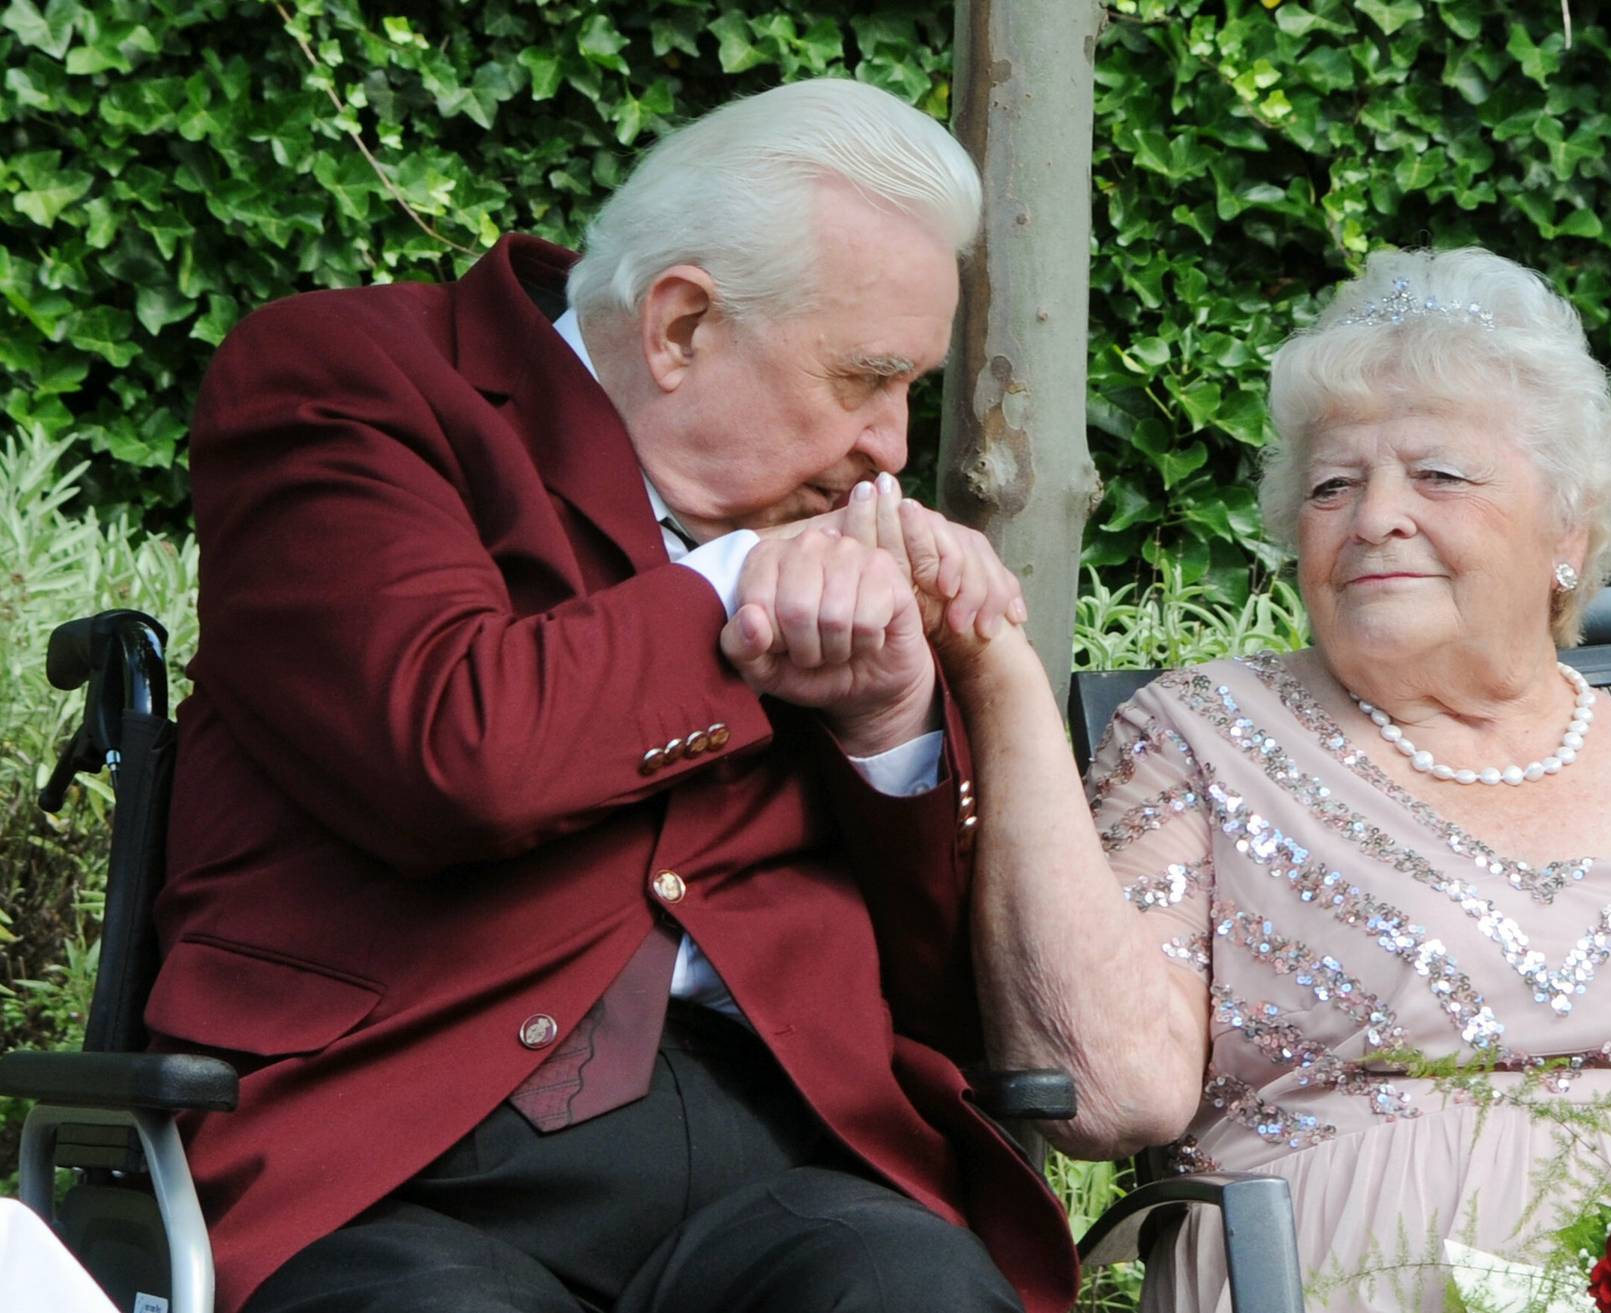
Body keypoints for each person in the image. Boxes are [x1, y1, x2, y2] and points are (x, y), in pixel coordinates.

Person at [942, 248, 1611, 1310]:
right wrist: (999, 674)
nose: (1374, 518)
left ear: (1569, 526)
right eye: (1332, 484)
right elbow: (1108, 1087)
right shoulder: (1204, 735)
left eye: (1439, 474)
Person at [154, 79, 1075, 1313]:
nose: (894, 447)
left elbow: (946, 1002)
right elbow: (449, 752)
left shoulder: (807, 526)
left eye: (909, 387)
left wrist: (888, 727)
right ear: (680, 327)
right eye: (864, 379)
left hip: (788, 1154)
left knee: (914, 1286)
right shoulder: (347, 380)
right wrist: (737, 583)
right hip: (402, 1153)